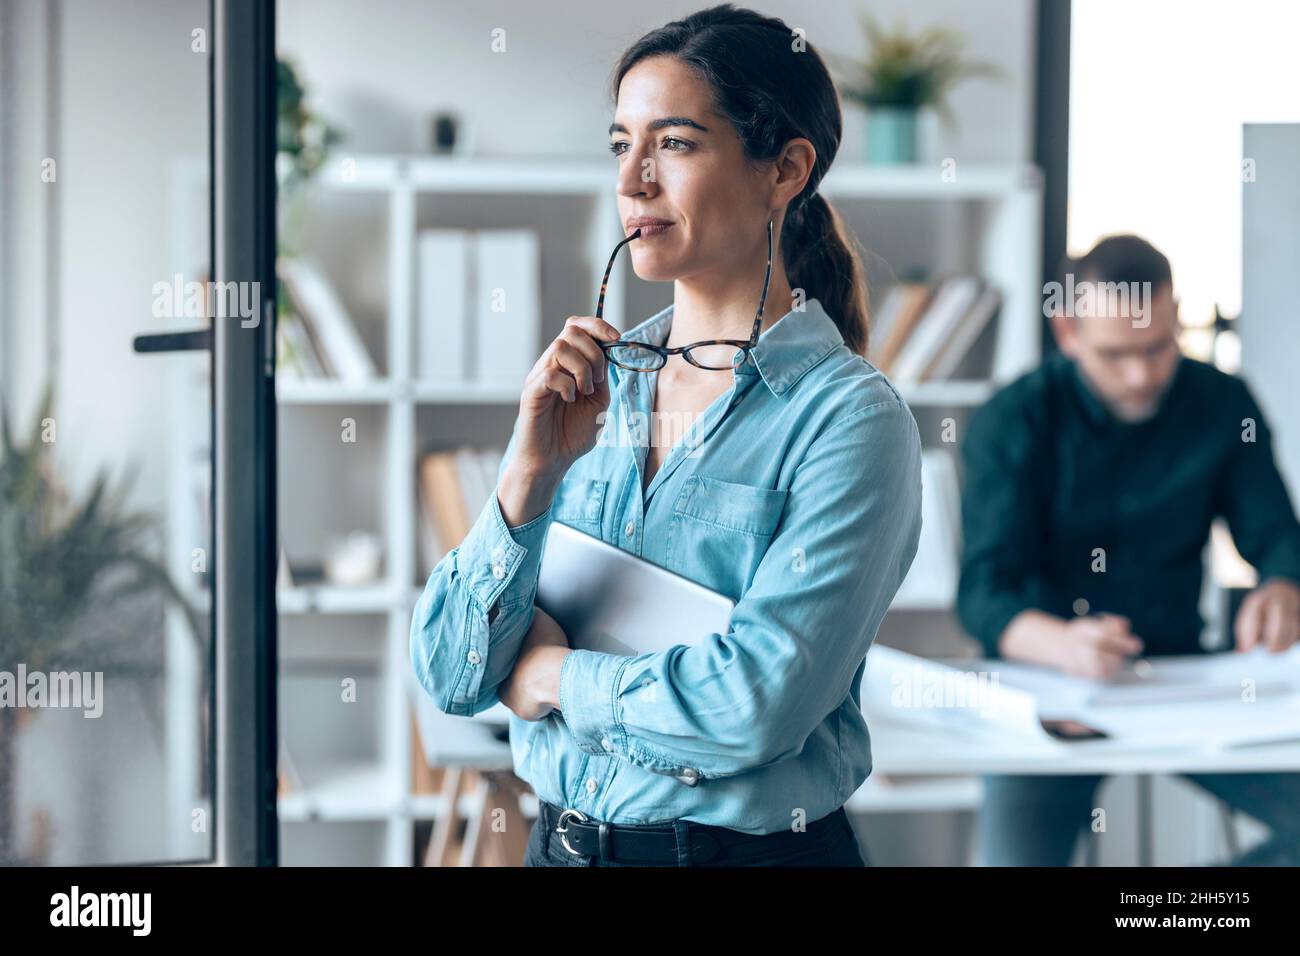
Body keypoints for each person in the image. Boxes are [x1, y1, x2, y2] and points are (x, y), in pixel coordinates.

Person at [410, 4, 922, 867]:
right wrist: (528, 477)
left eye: (675, 144)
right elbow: (453, 673)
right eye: (622, 145)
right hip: (560, 849)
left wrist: (550, 679)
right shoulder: (589, 389)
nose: (633, 181)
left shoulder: (850, 422)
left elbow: (754, 705)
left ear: (785, 169)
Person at [957, 233, 1300, 866]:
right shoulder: (1012, 419)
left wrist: (1282, 585)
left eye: (1160, 347)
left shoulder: (1223, 403)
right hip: (1046, 689)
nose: (1144, 375)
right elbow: (983, 594)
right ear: (1068, 331)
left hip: (1180, 678)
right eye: (1117, 355)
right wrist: (1062, 644)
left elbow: (1277, 535)